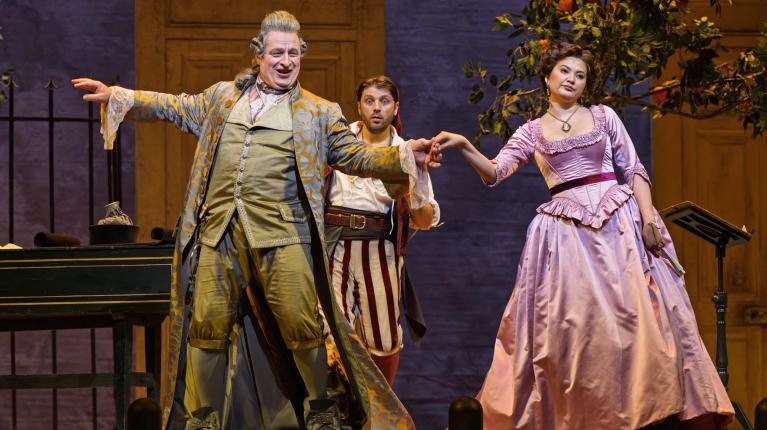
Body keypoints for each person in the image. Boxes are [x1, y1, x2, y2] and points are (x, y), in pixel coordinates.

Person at [73, 10, 434, 430]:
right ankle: (203, 418)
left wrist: (403, 155)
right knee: (207, 326)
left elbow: (355, 156)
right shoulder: (223, 98)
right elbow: (173, 106)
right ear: (258, 55)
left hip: (283, 233)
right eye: (277, 53)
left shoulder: (318, 112)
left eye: (294, 53)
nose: (286, 61)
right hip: (219, 231)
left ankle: (320, 410)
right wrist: (120, 96)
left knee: (302, 323)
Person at [433, 42, 735, 429]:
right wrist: (464, 144)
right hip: (567, 237)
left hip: (619, 225)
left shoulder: (604, 116)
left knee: (638, 323)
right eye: (564, 71)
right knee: (578, 330)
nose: (572, 79)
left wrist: (648, 219)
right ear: (547, 77)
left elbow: (634, 169)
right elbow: (495, 173)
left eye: (580, 75)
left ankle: (646, 411)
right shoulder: (531, 132)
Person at [323, 76, 440, 386]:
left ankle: (380, 406)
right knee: (332, 332)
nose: (377, 107)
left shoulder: (406, 151)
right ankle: (341, 405)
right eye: (370, 101)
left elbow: (425, 219)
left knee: (383, 337)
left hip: (379, 246)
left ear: (395, 107)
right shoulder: (338, 142)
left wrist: (413, 181)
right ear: (359, 106)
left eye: (384, 101)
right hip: (335, 243)